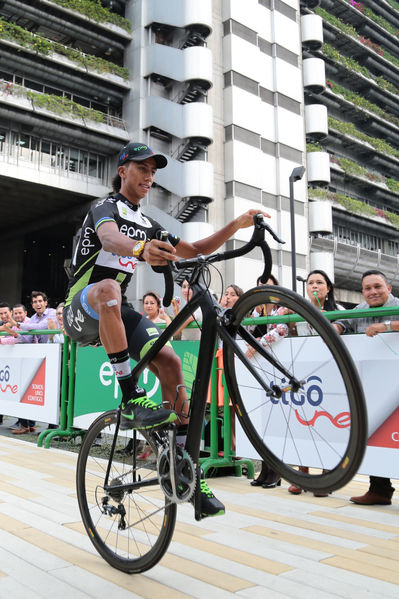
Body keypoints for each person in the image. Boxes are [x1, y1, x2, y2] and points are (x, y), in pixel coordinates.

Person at [62, 140, 269, 518]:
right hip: (80, 306)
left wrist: (235, 226)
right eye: (142, 168)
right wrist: (141, 251)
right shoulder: (104, 207)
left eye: (153, 171)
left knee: (171, 362)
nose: (149, 176)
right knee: (109, 289)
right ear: (123, 170)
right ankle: (131, 394)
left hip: (114, 310)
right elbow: (110, 239)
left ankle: (184, 468)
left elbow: (193, 248)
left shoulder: (148, 223)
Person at [333, 269, 399, 506]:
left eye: (377, 287)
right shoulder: (359, 309)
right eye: (367, 288)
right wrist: (338, 329)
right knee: (374, 433)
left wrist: (388, 326)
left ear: (388, 288)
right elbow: (341, 322)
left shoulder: (397, 305)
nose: (372, 292)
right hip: (372, 385)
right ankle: (379, 489)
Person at [288, 269, 343, 496]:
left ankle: (325, 479)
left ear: (328, 288)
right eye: (311, 282)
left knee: (326, 425)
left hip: (330, 375)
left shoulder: (338, 311)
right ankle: (302, 475)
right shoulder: (298, 310)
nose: (314, 286)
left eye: (319, 282)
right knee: (303, 422)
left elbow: (340, 330)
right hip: (303, 376)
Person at [247, 274, 284, 489]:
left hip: (277, 369)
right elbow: (245, 331)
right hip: (259, 371)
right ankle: (265, 468)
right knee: (262, 422)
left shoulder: (282, 310)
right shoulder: (255, 312)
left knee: (276, 421)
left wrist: (258, 344)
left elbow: (282, 330)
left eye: (268, 287)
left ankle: (276, 471)